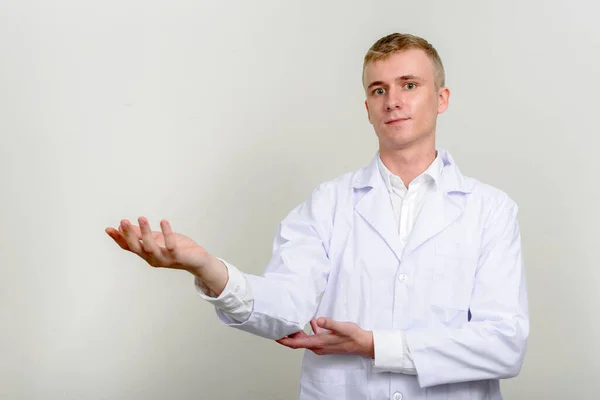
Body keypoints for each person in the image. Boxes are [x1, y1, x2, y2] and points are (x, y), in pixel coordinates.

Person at [106, 32, 529, 400]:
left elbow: (503, 345)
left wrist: (375, 346)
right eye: (379, 90)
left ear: (442, 98)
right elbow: (286, 308)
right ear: (367, 108)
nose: (393, 101)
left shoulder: (490, 211)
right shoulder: (327, 204)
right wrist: (208, 267)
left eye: (409, 84)